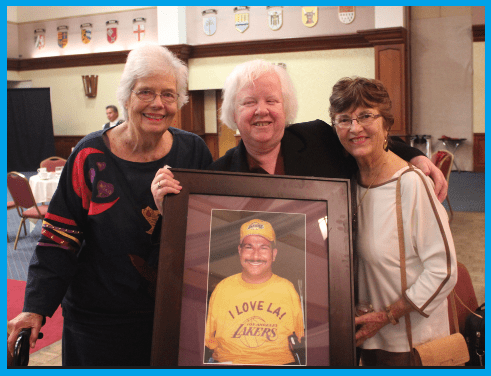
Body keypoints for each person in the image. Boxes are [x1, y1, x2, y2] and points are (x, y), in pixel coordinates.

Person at [7, 43, 213, 366]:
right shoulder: (89, 157)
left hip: (169, 319)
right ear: (126, 96)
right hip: (96, 326)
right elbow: (59, 239)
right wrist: (35, 306)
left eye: (169, 94)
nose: (158, 104)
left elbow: (207, 235)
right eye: (146, 92)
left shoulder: (194, 153)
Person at [152, 60, 448, 215]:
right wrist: (171, 208)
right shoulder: (217, 176)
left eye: (272, 100)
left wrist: (414, 156)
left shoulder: (318, 136)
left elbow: (361, 137)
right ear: (232, 113)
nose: (261, 111)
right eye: (248, 102)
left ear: (287, 107)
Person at [329, 77, 457, 366]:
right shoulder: (347, 183)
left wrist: (388, 315)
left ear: (386, 123)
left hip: (410, 345)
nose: (355, 127)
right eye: (344, 119)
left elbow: (444, 270)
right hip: (367, 342)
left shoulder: (411, 184)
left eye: (365, 116)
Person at [204, 219, 305, 365]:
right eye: (249, 247)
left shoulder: (287, 289)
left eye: (263, 248)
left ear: (274, 254)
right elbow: (208, 341)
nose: (256, 256)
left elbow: (300, 340)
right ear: (240, 251)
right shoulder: (222, 288)